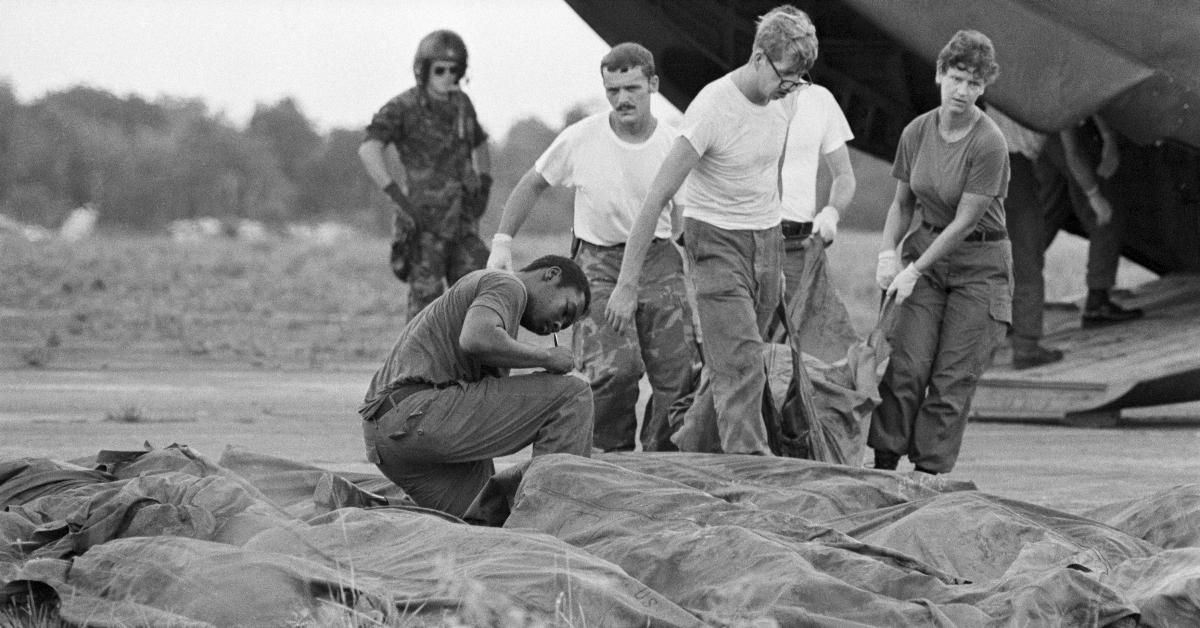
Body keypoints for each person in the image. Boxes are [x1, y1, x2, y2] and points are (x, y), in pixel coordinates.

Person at [606, 5, 817, 455]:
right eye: (785, 75)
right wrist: (626, 283)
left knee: (736, 362)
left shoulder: (786, 98)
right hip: (716, 242)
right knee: (741, 368)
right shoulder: (712, 109)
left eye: (799, 80)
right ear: (759, 57)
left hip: (766, 242)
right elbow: (656, 198)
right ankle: (752, 480)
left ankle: (687, 448)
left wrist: (774, 257)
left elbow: (771, 173)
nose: (791, 87)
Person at [486, 43, 701, 452]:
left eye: (632, 88)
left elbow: (684, 216)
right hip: (598, 262)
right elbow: (533, 183)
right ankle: (608, 458)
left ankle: (663, 461)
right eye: (613, 90)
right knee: (614, 371)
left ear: (653, 85)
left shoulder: (674, 145)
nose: (622, 99)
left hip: (658, 260)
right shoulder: (581, 138)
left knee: (679, 374)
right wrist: (502, 241)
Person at [870, 30, 1010, 474]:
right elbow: (902, 203)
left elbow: (965, 220)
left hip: (979, 265)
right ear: (939, 75)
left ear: (984, 87)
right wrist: (888, 254)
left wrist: (915, 270)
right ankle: (884, 463)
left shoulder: (989, 143)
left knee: (951, 378)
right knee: (907, 366)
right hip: (925, 254)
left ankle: (928, 475)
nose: (963, 91)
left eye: (974, 83)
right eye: (956, 78)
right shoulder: (917, 131)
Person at [359, 255, 593, 518]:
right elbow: (476, 339)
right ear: (551, 275)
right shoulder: (508, 285)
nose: (559, 325)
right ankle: (553, 520)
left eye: (565, 324)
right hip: (417, 413)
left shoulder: (499, 306)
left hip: (386, 438)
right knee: (573, 394)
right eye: (566, 311)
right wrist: (548, 357)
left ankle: (359, 510)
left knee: (487, 519)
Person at [990, 108, 1143, 370]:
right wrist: (1095, 196)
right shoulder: (1052, 98)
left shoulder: (1001, 86)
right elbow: (1072, 152)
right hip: (1011, 168)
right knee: (1026, 261)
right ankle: (1026, 347)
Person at [358, 29, 492, 321]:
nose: (447, 76)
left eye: (454, 70)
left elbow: (481, 145)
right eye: (439, 69)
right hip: (424, 221)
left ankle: (473, 365)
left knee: (476, 298)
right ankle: (418, 366)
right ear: (424, 70)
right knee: (425, 308)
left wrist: (485, 186)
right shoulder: (403, 107)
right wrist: (397, 196)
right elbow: (369, 149)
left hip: (463, 221)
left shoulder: (462, 105)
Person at [772, 77, 858, 363]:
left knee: (806, 356)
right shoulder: (742, 93)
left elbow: (844, 176)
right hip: (750, 243)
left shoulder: (820, 99)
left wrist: (832, 211)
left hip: (798, 248)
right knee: (745, 351)